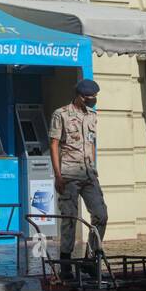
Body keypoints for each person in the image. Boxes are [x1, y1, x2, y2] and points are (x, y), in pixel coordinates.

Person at [49, 79, 108, 269]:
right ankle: (65, 262)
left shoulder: (92, 116)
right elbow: (54, 145)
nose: (93, 101)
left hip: (89, 174)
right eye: (91, 98)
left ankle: (90, 260)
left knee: (101, 215)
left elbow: (91, 143)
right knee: (70, 219)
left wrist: (93, 167)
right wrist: (58, 175)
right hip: (68, 173)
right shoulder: (61, 114)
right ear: (80, 97)